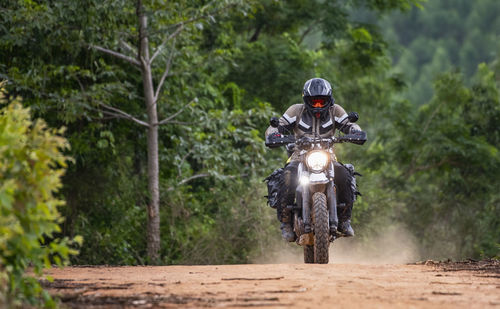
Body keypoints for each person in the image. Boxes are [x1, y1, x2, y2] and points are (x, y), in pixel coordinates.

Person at [265, 77, 366, 241]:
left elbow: (349, 124)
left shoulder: (336, 110)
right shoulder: (296, 111)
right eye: (314, 101)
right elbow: (278, 125)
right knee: (287, 176)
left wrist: (355, 131)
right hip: (299, 155)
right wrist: (273, 133)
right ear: (306, 99)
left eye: (322, 101)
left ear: (329, 99)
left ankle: (345, 219)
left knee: (345, 175)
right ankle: (285, 223)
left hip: (327, 156)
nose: (318, 105)